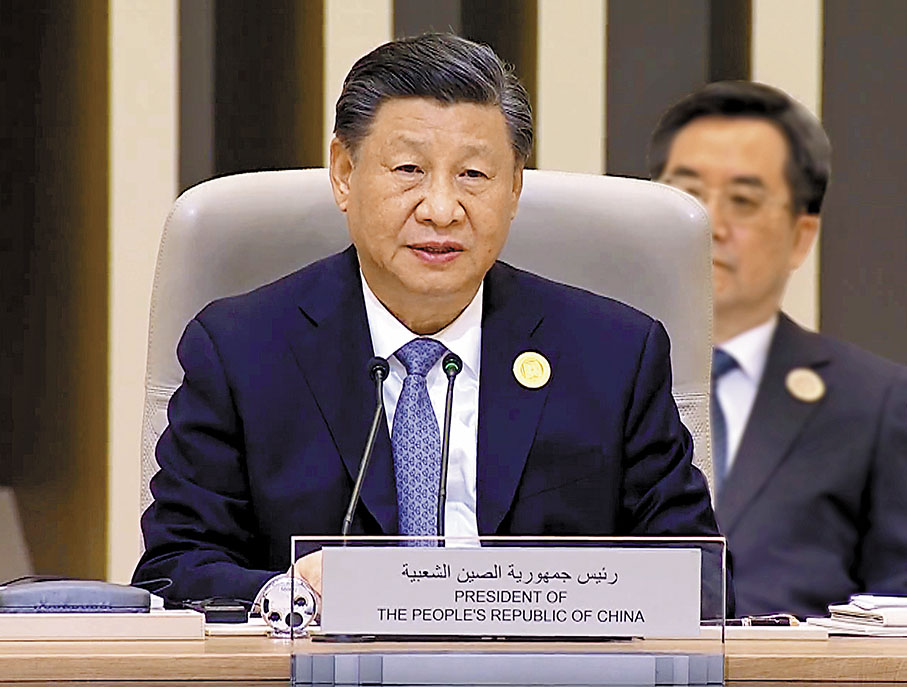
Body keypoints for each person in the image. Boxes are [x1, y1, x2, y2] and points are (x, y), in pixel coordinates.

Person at [134, 34, 720, 607]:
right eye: (409, 169)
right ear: (343, 172)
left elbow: (701, 584)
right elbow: (174, 569)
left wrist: (555, 595)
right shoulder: (240, 351)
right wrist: (291, 593)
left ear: (514, 188)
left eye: (474, 175)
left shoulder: (614, 355)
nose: (441, 210)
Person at [649, 81, 907, 618]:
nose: (710, 226)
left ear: (801, 236)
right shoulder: (584, 378)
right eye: (687, 196)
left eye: (743, 201)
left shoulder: (876, 402)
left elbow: (896, 612)